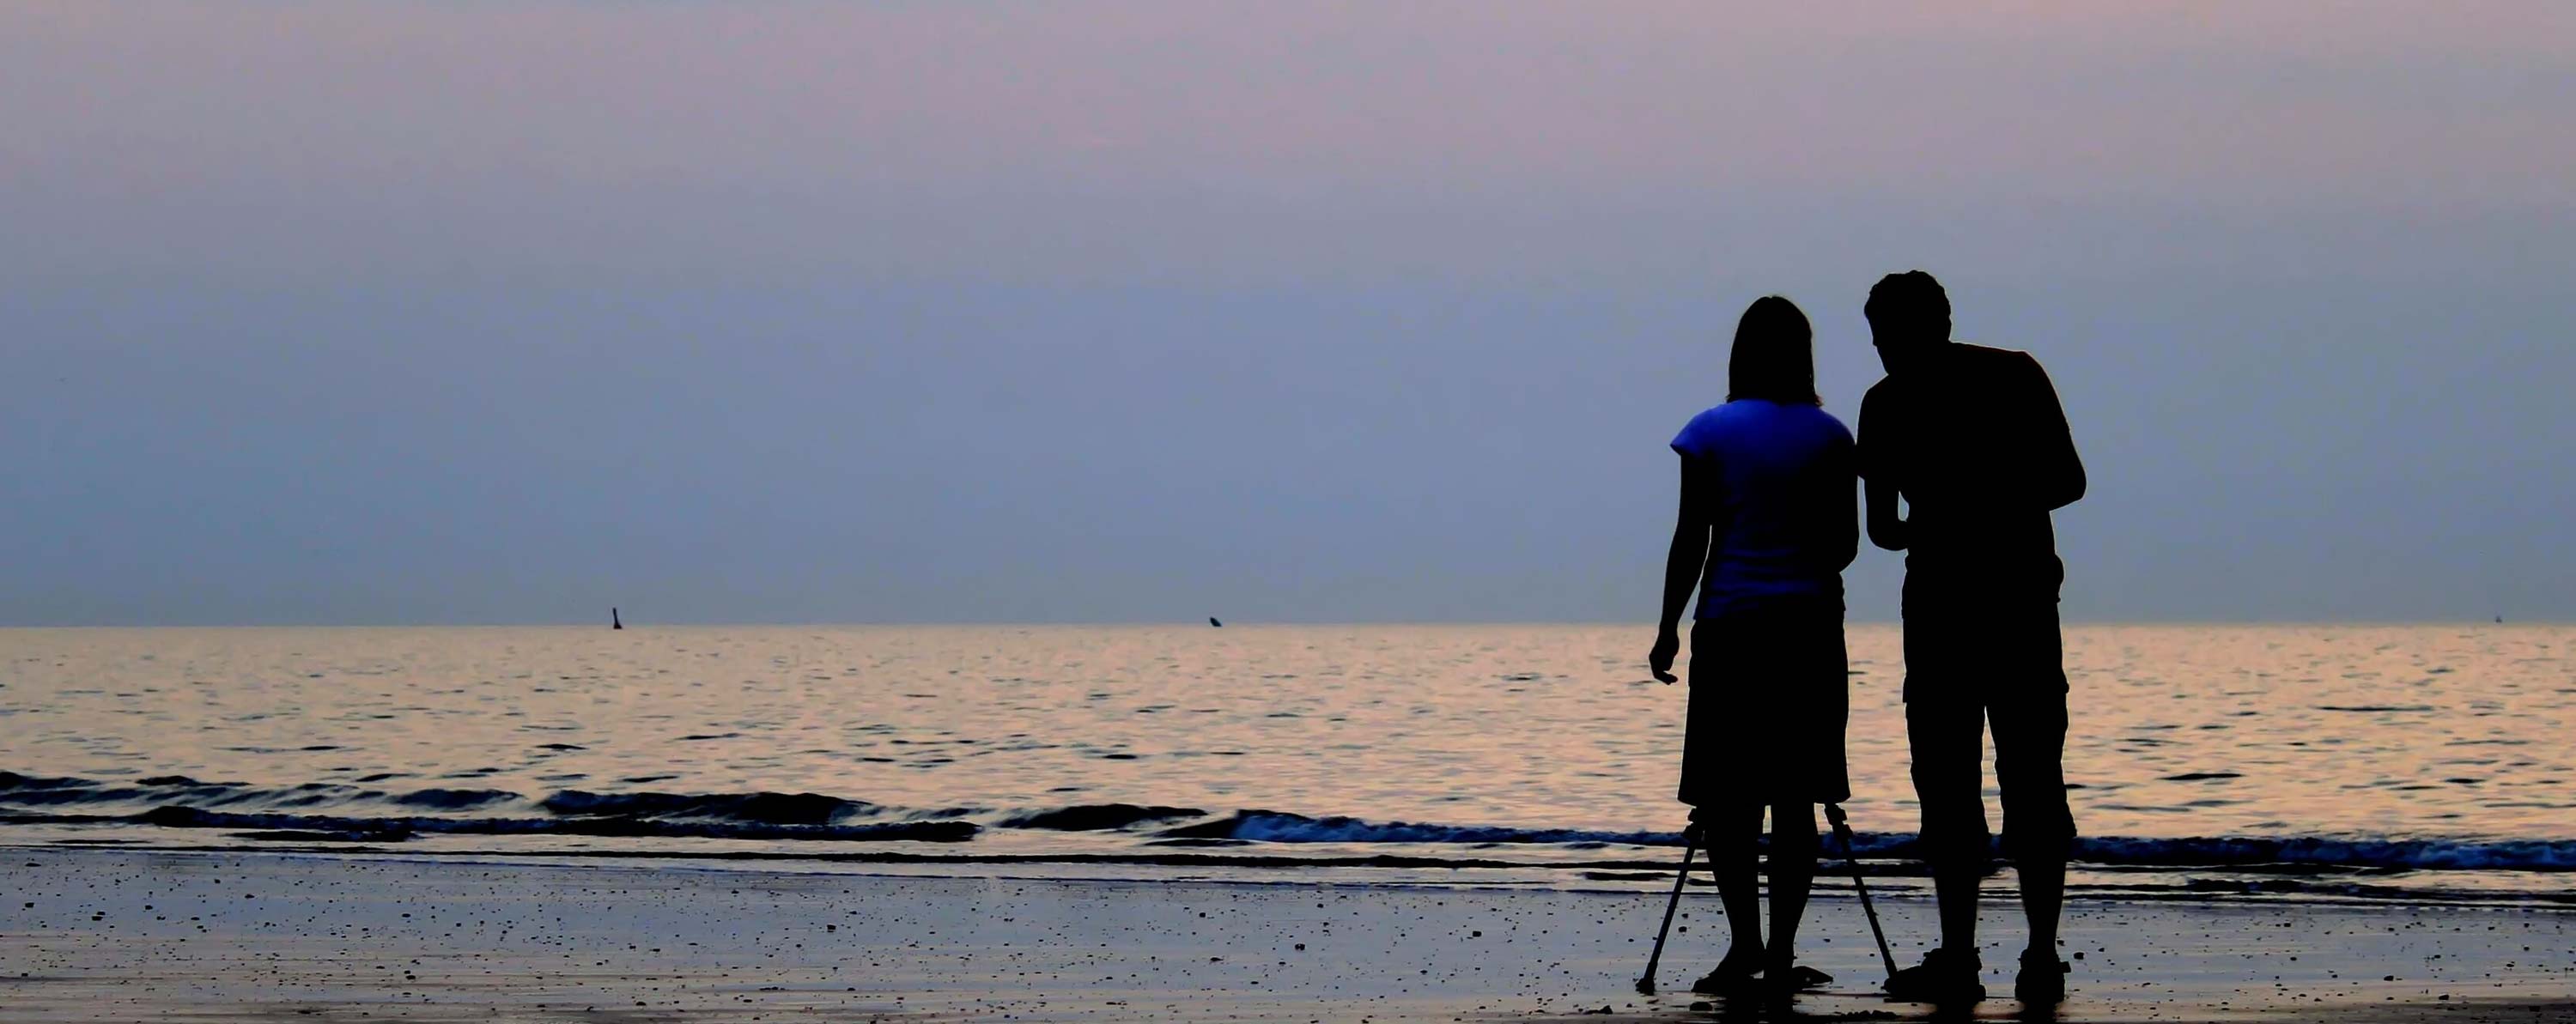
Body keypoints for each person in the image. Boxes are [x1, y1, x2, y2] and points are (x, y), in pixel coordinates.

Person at [1855, 270, 2086, 1004]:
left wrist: (1953, 511)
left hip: (1963, 605)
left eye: (1889, 337)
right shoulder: (2010, 376)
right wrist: (1988, 506)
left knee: (1969, 780)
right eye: (1880, 341)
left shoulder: (1891, 401)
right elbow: (2066, 480)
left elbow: (1888, 528)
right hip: (1998, 601)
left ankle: (1986, 954)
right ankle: (2023, 956)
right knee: (2009, 776)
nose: (1886, 352)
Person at [1647, 295, 1858, 998]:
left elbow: (1691, 539)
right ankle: (1781, 948)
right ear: (1803, 354)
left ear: (1739, 352)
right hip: (1807, 630)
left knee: (1729, 797)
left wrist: (1667, 627)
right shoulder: (1831, 436)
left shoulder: (1708, 431)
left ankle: (1743, 945)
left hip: (1731, 626)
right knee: (1796, 797)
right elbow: (1845, 547)